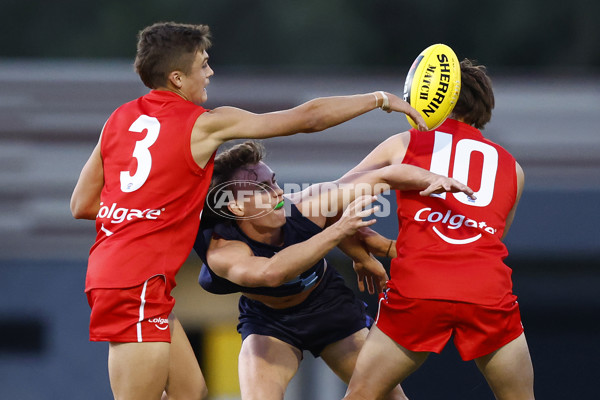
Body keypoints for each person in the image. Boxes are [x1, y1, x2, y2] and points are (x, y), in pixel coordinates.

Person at [69, 21, 430, 400]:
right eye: (203, 65)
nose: (209, 72)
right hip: (135, 280)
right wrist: (379, 99)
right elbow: (306, 119)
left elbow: (83, 204)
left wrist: (155, 210)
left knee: (191, 392)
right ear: (177, 78)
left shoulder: (119, 119)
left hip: (130, 275)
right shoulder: (203, 124)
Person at [194, 140, 474, 400]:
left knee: (391, 398)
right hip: (270, 321)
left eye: (274, 181)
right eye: (263, 189)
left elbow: (383, 176)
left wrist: (433, 179)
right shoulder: (223, 252)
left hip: (328, 305)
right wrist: (340, 232)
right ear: (237, 207)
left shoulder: (308, 205)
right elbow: (273, 272)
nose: (278, 192)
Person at [339, 59, 535, 400]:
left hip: (419, 288)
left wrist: (360, 254)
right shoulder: (513, 168)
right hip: (487, 294)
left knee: (362, 394)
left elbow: (333, 200)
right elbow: (484, 240)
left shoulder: (404, 142)